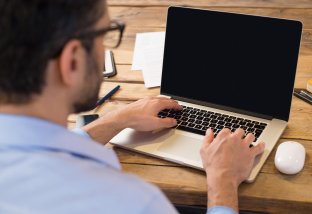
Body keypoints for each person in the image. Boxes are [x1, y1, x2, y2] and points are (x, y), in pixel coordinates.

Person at [0, 0, 265, 213]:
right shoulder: (133, 203)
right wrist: (223, 182)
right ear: (72, 61)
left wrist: (115, 120)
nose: (104, 48)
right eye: (103, 36)